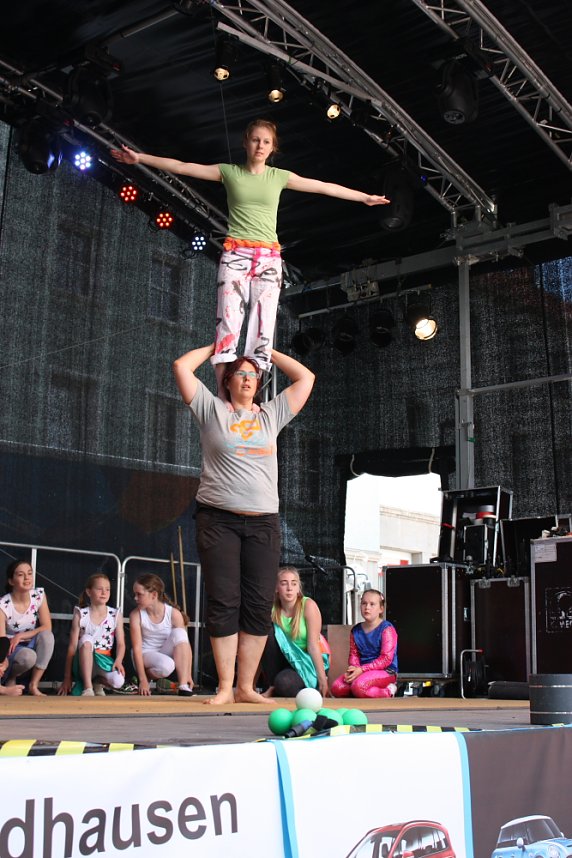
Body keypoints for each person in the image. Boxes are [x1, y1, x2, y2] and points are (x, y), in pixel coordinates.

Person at [111, 119, 389, 398]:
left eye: (266, 142)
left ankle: (248, 398)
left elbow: (322, 186)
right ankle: (223, 395)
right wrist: (139, 159)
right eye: (255, 140)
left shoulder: (278, 176)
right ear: (246, 142)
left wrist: (363, 197)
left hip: (269, 257)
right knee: (228, 325)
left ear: (272, 148)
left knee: (263, 328)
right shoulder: (230, 172)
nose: (260, 146)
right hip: (236, 255)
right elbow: (184, 167)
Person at [173, 343, 315, 704]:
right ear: (228, 380)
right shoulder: (212, 410)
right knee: (224, 599)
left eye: (255, 374)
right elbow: (180, 367)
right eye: (242, 373)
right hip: (219, 519)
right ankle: (224, 687)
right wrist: (217, 348)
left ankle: (246, 687)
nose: (249, 379)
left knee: (256, 603)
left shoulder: (270, 414)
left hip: (263, 522)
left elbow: (305, 378)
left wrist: (268, 351)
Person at [260, 567, 330, 698]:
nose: (289, 588)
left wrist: (322, 679)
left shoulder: (308, 605)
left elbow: (313, 646)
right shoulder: (272, 609)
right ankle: (271, 685)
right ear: (276, 588)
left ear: (298, 588)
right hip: (282, 661)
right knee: (266, 632)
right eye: (284, 583)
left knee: (285, 684)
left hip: (306, 662)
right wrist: (248, 685)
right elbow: (258, 646)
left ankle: (293, 687)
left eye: (294, 583)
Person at [58, 573, 126, 697]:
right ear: (89, 592)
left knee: (118, 681)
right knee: (87, 639)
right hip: (83, 660)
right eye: (99, 589)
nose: (104, 592)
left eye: (107, 589)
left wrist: (119, 660)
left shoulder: (115, 614)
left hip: (104, 660)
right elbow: (72, 647)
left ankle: (97, 682)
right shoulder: (81, 614)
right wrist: (67, 677)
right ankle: (87, 687)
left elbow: (121, 643)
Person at [129, 573, 194, 697]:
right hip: (145, 653)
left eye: (139, 594)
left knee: (180, 633)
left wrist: (188, 674)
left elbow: (185, 646)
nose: (135, 598)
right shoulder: (136, 615)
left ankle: (183, 685)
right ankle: (143, 677)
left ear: (154, 595)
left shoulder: (174, 614)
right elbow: (137, 649)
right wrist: (143, 680)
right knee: (167, 666)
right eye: (135, 594)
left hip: (164, 653)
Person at [0, 559, 55, 696]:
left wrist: (21, 636)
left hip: (29, 640)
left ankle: (34, 684)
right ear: (11, 581)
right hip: (11, 648)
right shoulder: (3, 605)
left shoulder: (38, 596)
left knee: (47, 636)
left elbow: (47, 626)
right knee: (28, 656)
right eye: (20, 575)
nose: (27, 578)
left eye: (29, 573)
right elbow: (1, 638)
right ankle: (10, 678)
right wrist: (3, 659)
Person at [330, 589, 398, 699]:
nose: (367, 607)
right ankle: (362, 691)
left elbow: (386, 659)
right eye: (364, 603)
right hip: (361, 672)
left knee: (359, 686)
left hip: (385, 671)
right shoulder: (356, 630)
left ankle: (388, 691)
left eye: (372, 604)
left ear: (381, 609)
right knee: (337, 688)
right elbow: (354, 655)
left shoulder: (387, 629)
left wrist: (361, 670)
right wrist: (354, 670)